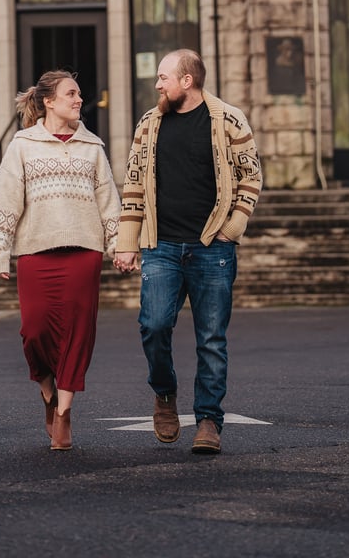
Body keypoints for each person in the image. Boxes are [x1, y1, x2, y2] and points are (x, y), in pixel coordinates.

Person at [114, 49, 262, 455]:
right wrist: (127, 243)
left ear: (187, 81)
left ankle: (209, 420)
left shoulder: (228, 120)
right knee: (154, 325)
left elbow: (251, 175)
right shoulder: (149, 124)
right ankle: (164, 394)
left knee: (211, 339)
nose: (158, 84)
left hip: (212, 248)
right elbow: (132, 183)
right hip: (161, 246)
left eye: (164, 77)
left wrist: (233, 227)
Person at [0, 70, 121, 451]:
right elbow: (6, 200)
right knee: (35, 331)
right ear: (49, 101)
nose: (80, 100)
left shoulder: (92, 146)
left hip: (83, 250)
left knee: (78, 332)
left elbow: (108, 200)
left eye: (79, 94)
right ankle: (47, 391)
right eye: (72, 94)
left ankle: (63, 412)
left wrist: (118, 246)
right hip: (35, 252)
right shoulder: (23, 145)